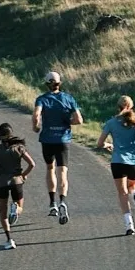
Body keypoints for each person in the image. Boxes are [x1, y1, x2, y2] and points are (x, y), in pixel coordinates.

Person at [32, 71, 83, 225]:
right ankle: (62, 201)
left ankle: (52, 203)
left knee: (50, 169)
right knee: (63, 172)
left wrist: (36, 127)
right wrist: (68, 122)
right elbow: (79, 120)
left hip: (47, 139)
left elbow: (36, 115)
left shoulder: (42, 99)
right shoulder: (68, 98)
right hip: (63, 139)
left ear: (47, 84)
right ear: (59, 83)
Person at [97, 95, 135, 236]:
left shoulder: (111, 123)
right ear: (131, 106)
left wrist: (109, 145)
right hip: (134, 161)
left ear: (118, 106)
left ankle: (129, 225)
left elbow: (99, 143)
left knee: (122, 193)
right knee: (133, 186)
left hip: (118, 161)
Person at [0, 123, 36, 249]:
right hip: (16, 182)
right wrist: (23, 175)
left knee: (2, 212)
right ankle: (16, 209)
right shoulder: (19, 148)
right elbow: (32, 164)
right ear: (11, 134)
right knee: (20, 207)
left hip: (1, 183)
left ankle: (9, 239)